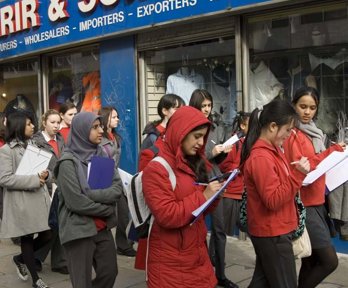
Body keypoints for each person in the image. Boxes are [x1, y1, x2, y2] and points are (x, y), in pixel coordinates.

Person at [142, 106, 223, 287]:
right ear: (181, 133)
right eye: (196, 136)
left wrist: (214, 196)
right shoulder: (156, 168)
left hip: (196, 256)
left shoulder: (190, 162)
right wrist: (203, 196)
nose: (201, 143)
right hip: (170, 265)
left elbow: (199, 213)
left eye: (203, 136)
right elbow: (167, 215)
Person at [240, 100, 310, 287]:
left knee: (262, 282)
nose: (289, 135)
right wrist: (298, 175)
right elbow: (272, 199)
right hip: (272, 232)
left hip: (273, 230)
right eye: (287, 130)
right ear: (272, 126)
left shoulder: (270, 151)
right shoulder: (262, 157)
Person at [283, 86, 346, 288]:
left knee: (309, 260)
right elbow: (304, 166)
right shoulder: (292, 134)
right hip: (305, 204)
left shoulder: (316, 132)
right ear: (294, 106)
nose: (307, 112)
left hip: (318, 202)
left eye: (312, 107)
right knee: (329, 261)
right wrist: (332, 152)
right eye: (302, 106)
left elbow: (316, 161)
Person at [54, 112, 123, 288]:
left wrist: (91, 195)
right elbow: (75, 202)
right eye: (95, 127)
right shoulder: (67, 162)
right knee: (81, 282)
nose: (101, 130)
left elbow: (116, 189)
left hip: (102, 227)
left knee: (109, 272)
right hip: (78, 230)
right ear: (81, 130)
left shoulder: (101, 155)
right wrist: (107, 209)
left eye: (100, 126)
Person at [189, 89, 236, 288]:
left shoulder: (215, 127)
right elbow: (191, 155)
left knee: (219, 229)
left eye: (209, 105)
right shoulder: (188, 126)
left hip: (214, 178)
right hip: (196, 181)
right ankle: (203, 270)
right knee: (196, 230)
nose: (207, 109)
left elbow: (218, 159)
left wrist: (223, 152)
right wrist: (211, 152)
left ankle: (221, 274)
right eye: (203, 106)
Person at [0, 112, 52, 288]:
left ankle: (20, 259)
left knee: (48, 234)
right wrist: (35, 180)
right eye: (29, 124)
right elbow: (5, 179)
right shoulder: (6, 151)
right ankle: (36, 279)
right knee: (27, 238)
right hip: (21, 201)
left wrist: (46, 174)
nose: (33, 127)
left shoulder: (34, 144)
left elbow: (43, 169)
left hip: (39, 199)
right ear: (19, 125)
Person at [32, 109, 68, 274]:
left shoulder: (61, 139)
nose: (56, 126)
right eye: (52, 122)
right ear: (44, 123)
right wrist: (50, 179)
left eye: (57, 122)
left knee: (60, 225)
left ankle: (59, 262)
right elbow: (35, 165)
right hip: (45, 188)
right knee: (48, 227)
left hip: (61, 187)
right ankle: (35, 257)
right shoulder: (36, 141)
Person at [98, 106, 136, 257]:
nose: (117, 119)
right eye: (114, 117)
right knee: (107, 214)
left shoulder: (116, 137)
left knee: (124, 212)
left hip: (116, 178)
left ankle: (123, 244)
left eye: (117, 116)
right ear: (105, 118)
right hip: (105, 179)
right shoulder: (100, 138)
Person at [219, 111, 250, 236]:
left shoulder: (251, 142)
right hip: (231, 194)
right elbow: (222, 166)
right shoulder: (233, 142)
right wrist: (241, 167)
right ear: (242, 126)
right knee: (223, 233)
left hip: (245, 194)